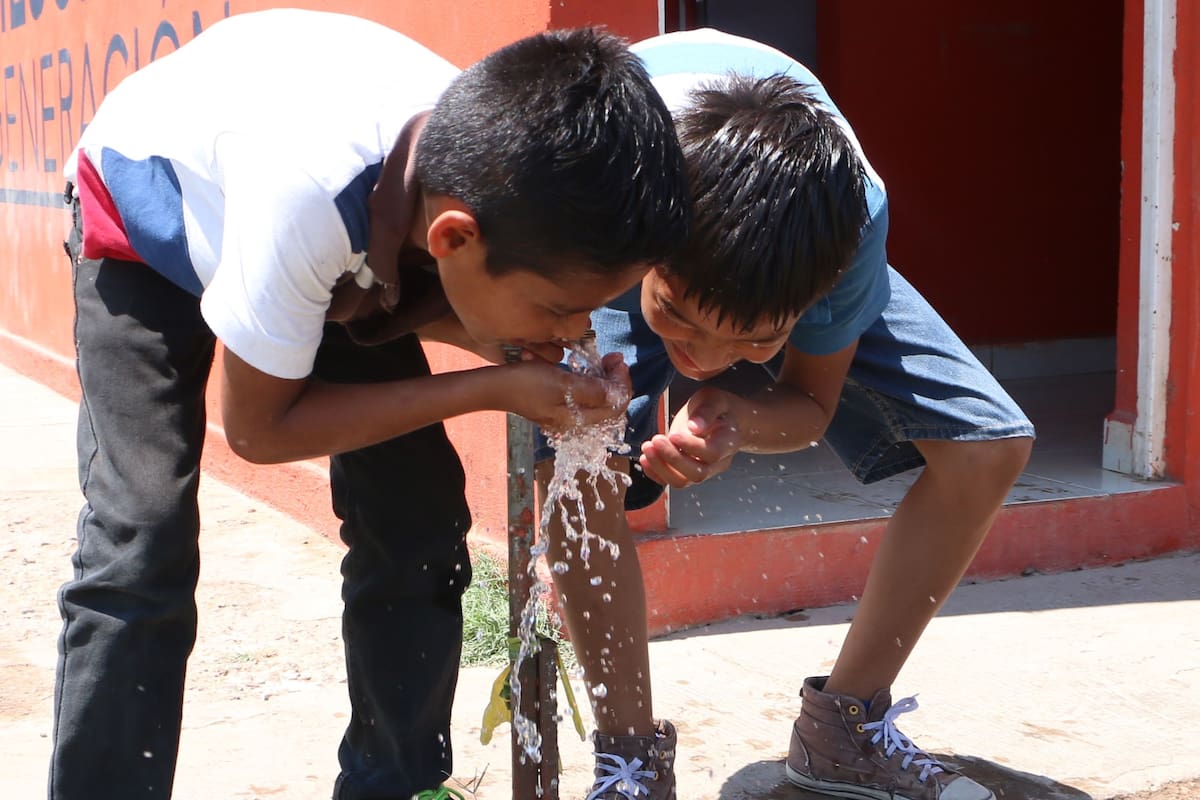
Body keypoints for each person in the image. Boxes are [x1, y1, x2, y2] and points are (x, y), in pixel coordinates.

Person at [52, 9, 691, 800]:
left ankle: (394, 788)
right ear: (452, 241)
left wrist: (524, 352)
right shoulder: (313, 200)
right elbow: (257, 428)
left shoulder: (494, 170)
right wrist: (494, 385)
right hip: (144, 219)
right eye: (562, 309)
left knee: (415, 520)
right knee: (140, 541)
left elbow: (423, 299)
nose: (575, 333)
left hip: (318, 243)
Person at [536, 28, 1034, 800]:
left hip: (768, 223)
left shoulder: (847, 223)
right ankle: (629, 764)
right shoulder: (589, 182)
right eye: (680, 322)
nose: (701, 360)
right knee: (581, 453)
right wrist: (588, 407)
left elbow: (809, 401)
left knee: (987, 445)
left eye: (754, 338)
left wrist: (736, 420)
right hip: (637, 193)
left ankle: (843, 731)